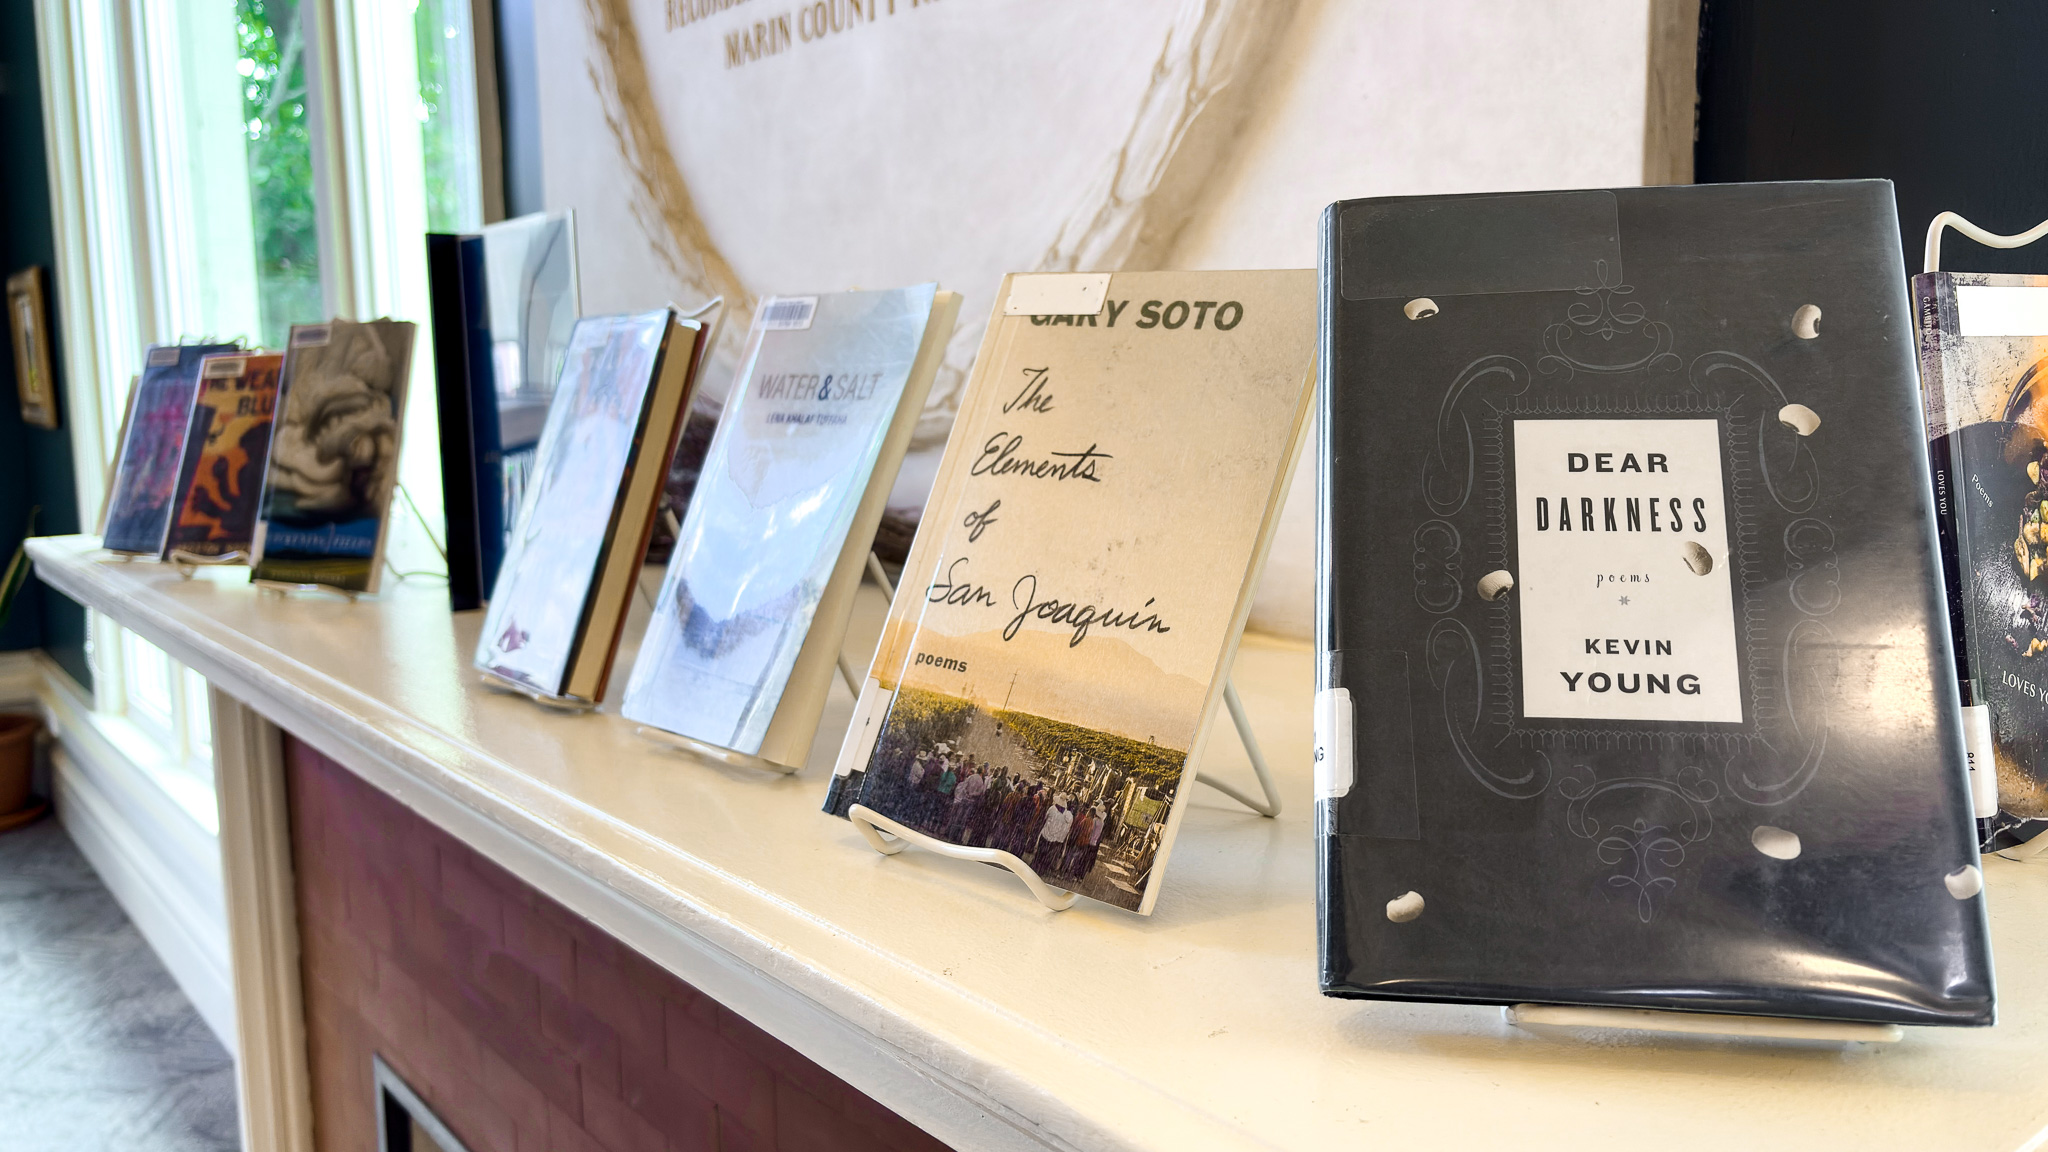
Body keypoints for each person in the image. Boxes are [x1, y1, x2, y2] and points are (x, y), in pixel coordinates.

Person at [1033, 793, 1073, 877]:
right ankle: (1042, 870)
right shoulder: (1068, 815)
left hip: (1046, 834)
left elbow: (1045, 817)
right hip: (1056, 839)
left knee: (1040, 852)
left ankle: (1035, 867)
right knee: (1048, 855)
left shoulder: (1052, 809)